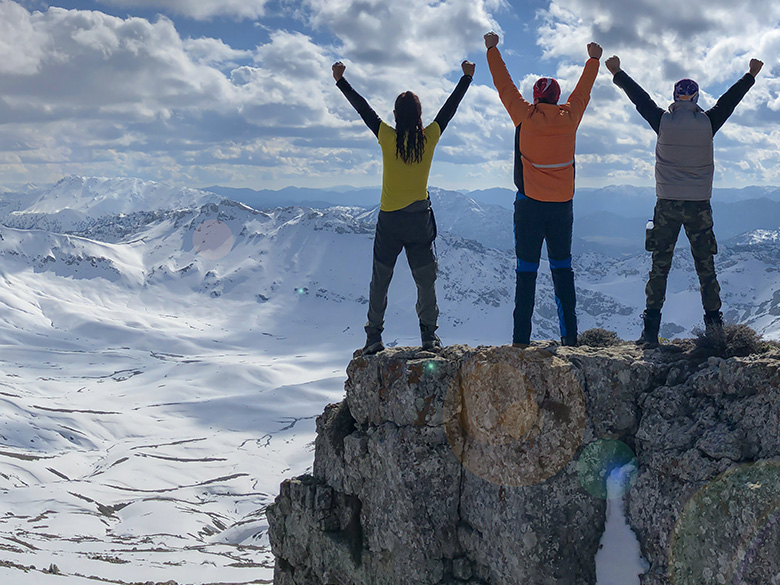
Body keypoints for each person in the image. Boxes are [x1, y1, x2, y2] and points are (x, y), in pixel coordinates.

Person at [605, 55, 764, 346]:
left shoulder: (663, 121)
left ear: (675, 98)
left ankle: (650, 332)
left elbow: (640, 100)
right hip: (699, 205)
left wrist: (617, 72)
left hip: (666, 203)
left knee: (660, 266)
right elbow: (730, 101)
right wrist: (750, 75)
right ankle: (715, 330)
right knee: (705, 266)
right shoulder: (708, 123)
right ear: (697, 98)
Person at [332, 59, 474, 355]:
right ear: (420, 115)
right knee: (425, 279)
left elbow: (364, 110)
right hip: (419, 220)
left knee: (381, 278)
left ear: (395, 115)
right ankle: (428, 337)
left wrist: (341, 80)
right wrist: (466, 79)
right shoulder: (429, 138)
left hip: (390, 221)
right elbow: (449, 110)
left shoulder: (387, 138)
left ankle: (373, 337)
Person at [484, 32, 602, 347]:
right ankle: (570, 339)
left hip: (529, 206)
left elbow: (503, 84)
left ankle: (521, 341)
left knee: (526, 274)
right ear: (557, 98)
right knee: (563, 271)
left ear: (536, 98)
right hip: (562, 207)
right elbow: (584, 91)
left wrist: (492, 49)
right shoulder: (570, 117)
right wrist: (593, 59)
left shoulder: (524, 116)